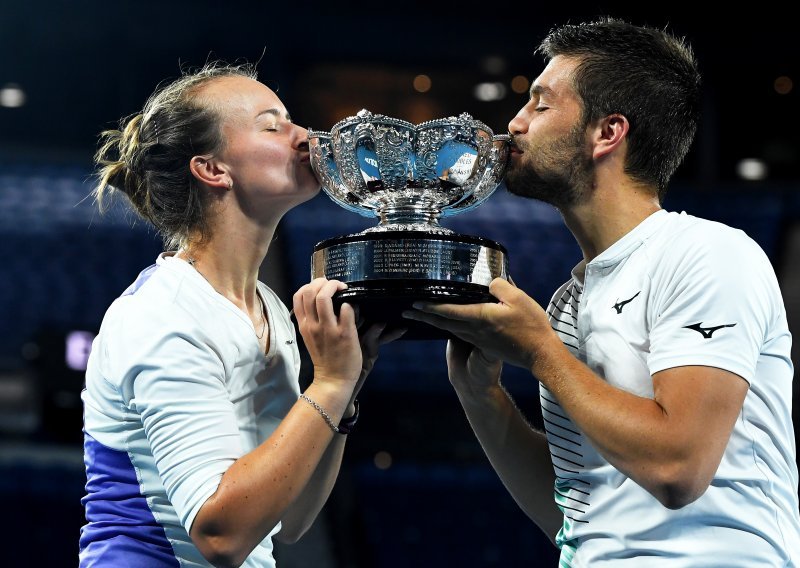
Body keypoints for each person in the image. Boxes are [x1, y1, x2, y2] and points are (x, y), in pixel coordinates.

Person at [404, 17, 800, 566]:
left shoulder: (707, 254)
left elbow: (678, 469)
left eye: (541, 106)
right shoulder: (569, 300)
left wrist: (541, 353)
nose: (514, 124)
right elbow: (576, 514)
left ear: (607, 133)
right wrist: (482, 396)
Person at [79, 61, 401, 567]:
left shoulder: (268, 307)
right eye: (272, 125)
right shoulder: (163, 316)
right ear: (212, 169)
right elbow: (222, 535)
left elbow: (288, 519)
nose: (306, 137)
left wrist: (346, 391)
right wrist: (329, 386)